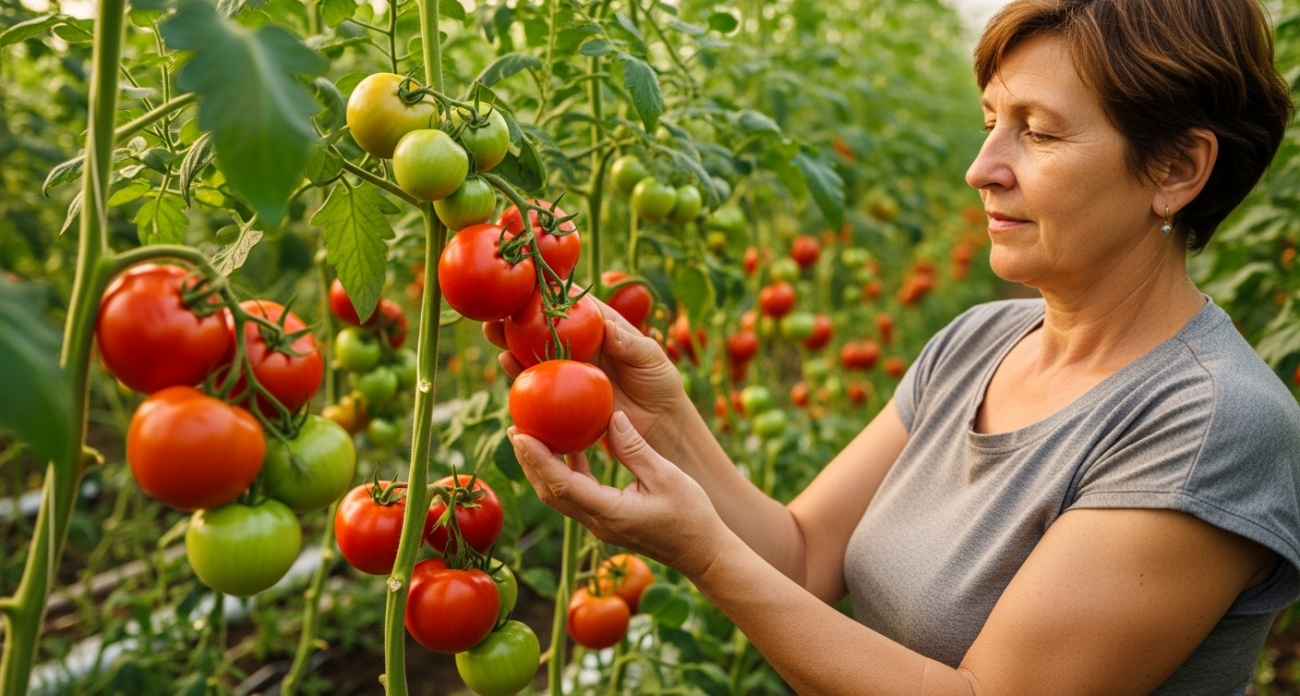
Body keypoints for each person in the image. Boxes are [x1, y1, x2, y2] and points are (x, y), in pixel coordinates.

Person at [484, 0, 1300, 692]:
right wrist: (660, 412)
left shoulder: (1213, 424)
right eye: (990, 124)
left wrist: (700, 555)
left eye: (1038, 135)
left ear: (1177, 168)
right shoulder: (978, 343)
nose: (983, 168)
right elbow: (802, 557)